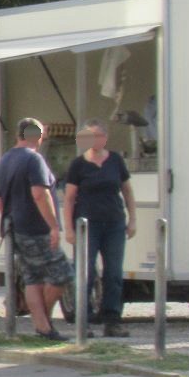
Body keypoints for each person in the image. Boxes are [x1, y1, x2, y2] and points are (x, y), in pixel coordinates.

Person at [0, 117, 71, 340]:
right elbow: (40, 194)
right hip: (37, 229)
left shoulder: (4, 161)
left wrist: (12, 216)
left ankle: (43, 327)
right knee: (62, 274)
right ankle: (43, 321)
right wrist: (54, 226)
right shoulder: (33, 159)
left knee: (33, 277)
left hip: (15, 228)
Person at [63, 121, 137, 336]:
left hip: (114, 222)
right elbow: (69, 198)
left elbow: (127, 191)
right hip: (87, 225)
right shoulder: (78, 165)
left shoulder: (115, 161)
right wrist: (69, 228)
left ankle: (112, 320)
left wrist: (132, 220)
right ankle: (83, 320)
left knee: (113, 272)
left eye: (97, 136)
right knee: (84, 272)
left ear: (105, 138)